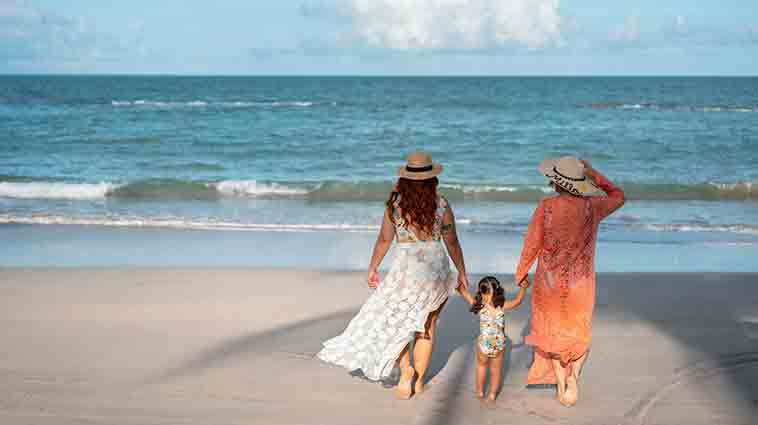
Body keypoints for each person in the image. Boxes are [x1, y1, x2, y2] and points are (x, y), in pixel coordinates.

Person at [318, 151, 470, 399]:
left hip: (405, 270)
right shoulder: (442, 204)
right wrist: (462, 272)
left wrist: (373, 267)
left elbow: (384, 239)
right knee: (427, 328)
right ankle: (419, 382)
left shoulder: (395, 206)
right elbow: (451, 241)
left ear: (406, 178)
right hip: (436, 270)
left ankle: (406, 370)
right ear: (432, 179)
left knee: (397, 321)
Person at [516, 156, 625, 407]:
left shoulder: (546, 206)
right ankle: (573, 376)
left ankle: (559, 379)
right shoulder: (592, 207)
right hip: (581, 281)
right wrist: (593, 172)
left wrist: (521, 272)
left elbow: (532, 243)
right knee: (579, 330)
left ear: (557, 182)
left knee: (551, 330)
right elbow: (618, 196)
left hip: (550, 281)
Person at [457, 276, 528, 402]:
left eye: (487, 293)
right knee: (491, 369)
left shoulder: (482, 306)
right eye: (483, 293)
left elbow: (517, 301)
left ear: (495, 292)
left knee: (485, 368)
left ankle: (486, 393)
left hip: (486, 343)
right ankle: (487, 393)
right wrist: (523, 288)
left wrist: (523, 288)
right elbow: (517, 301)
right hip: (496, 343)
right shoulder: (499, 306)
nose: (485, 296)